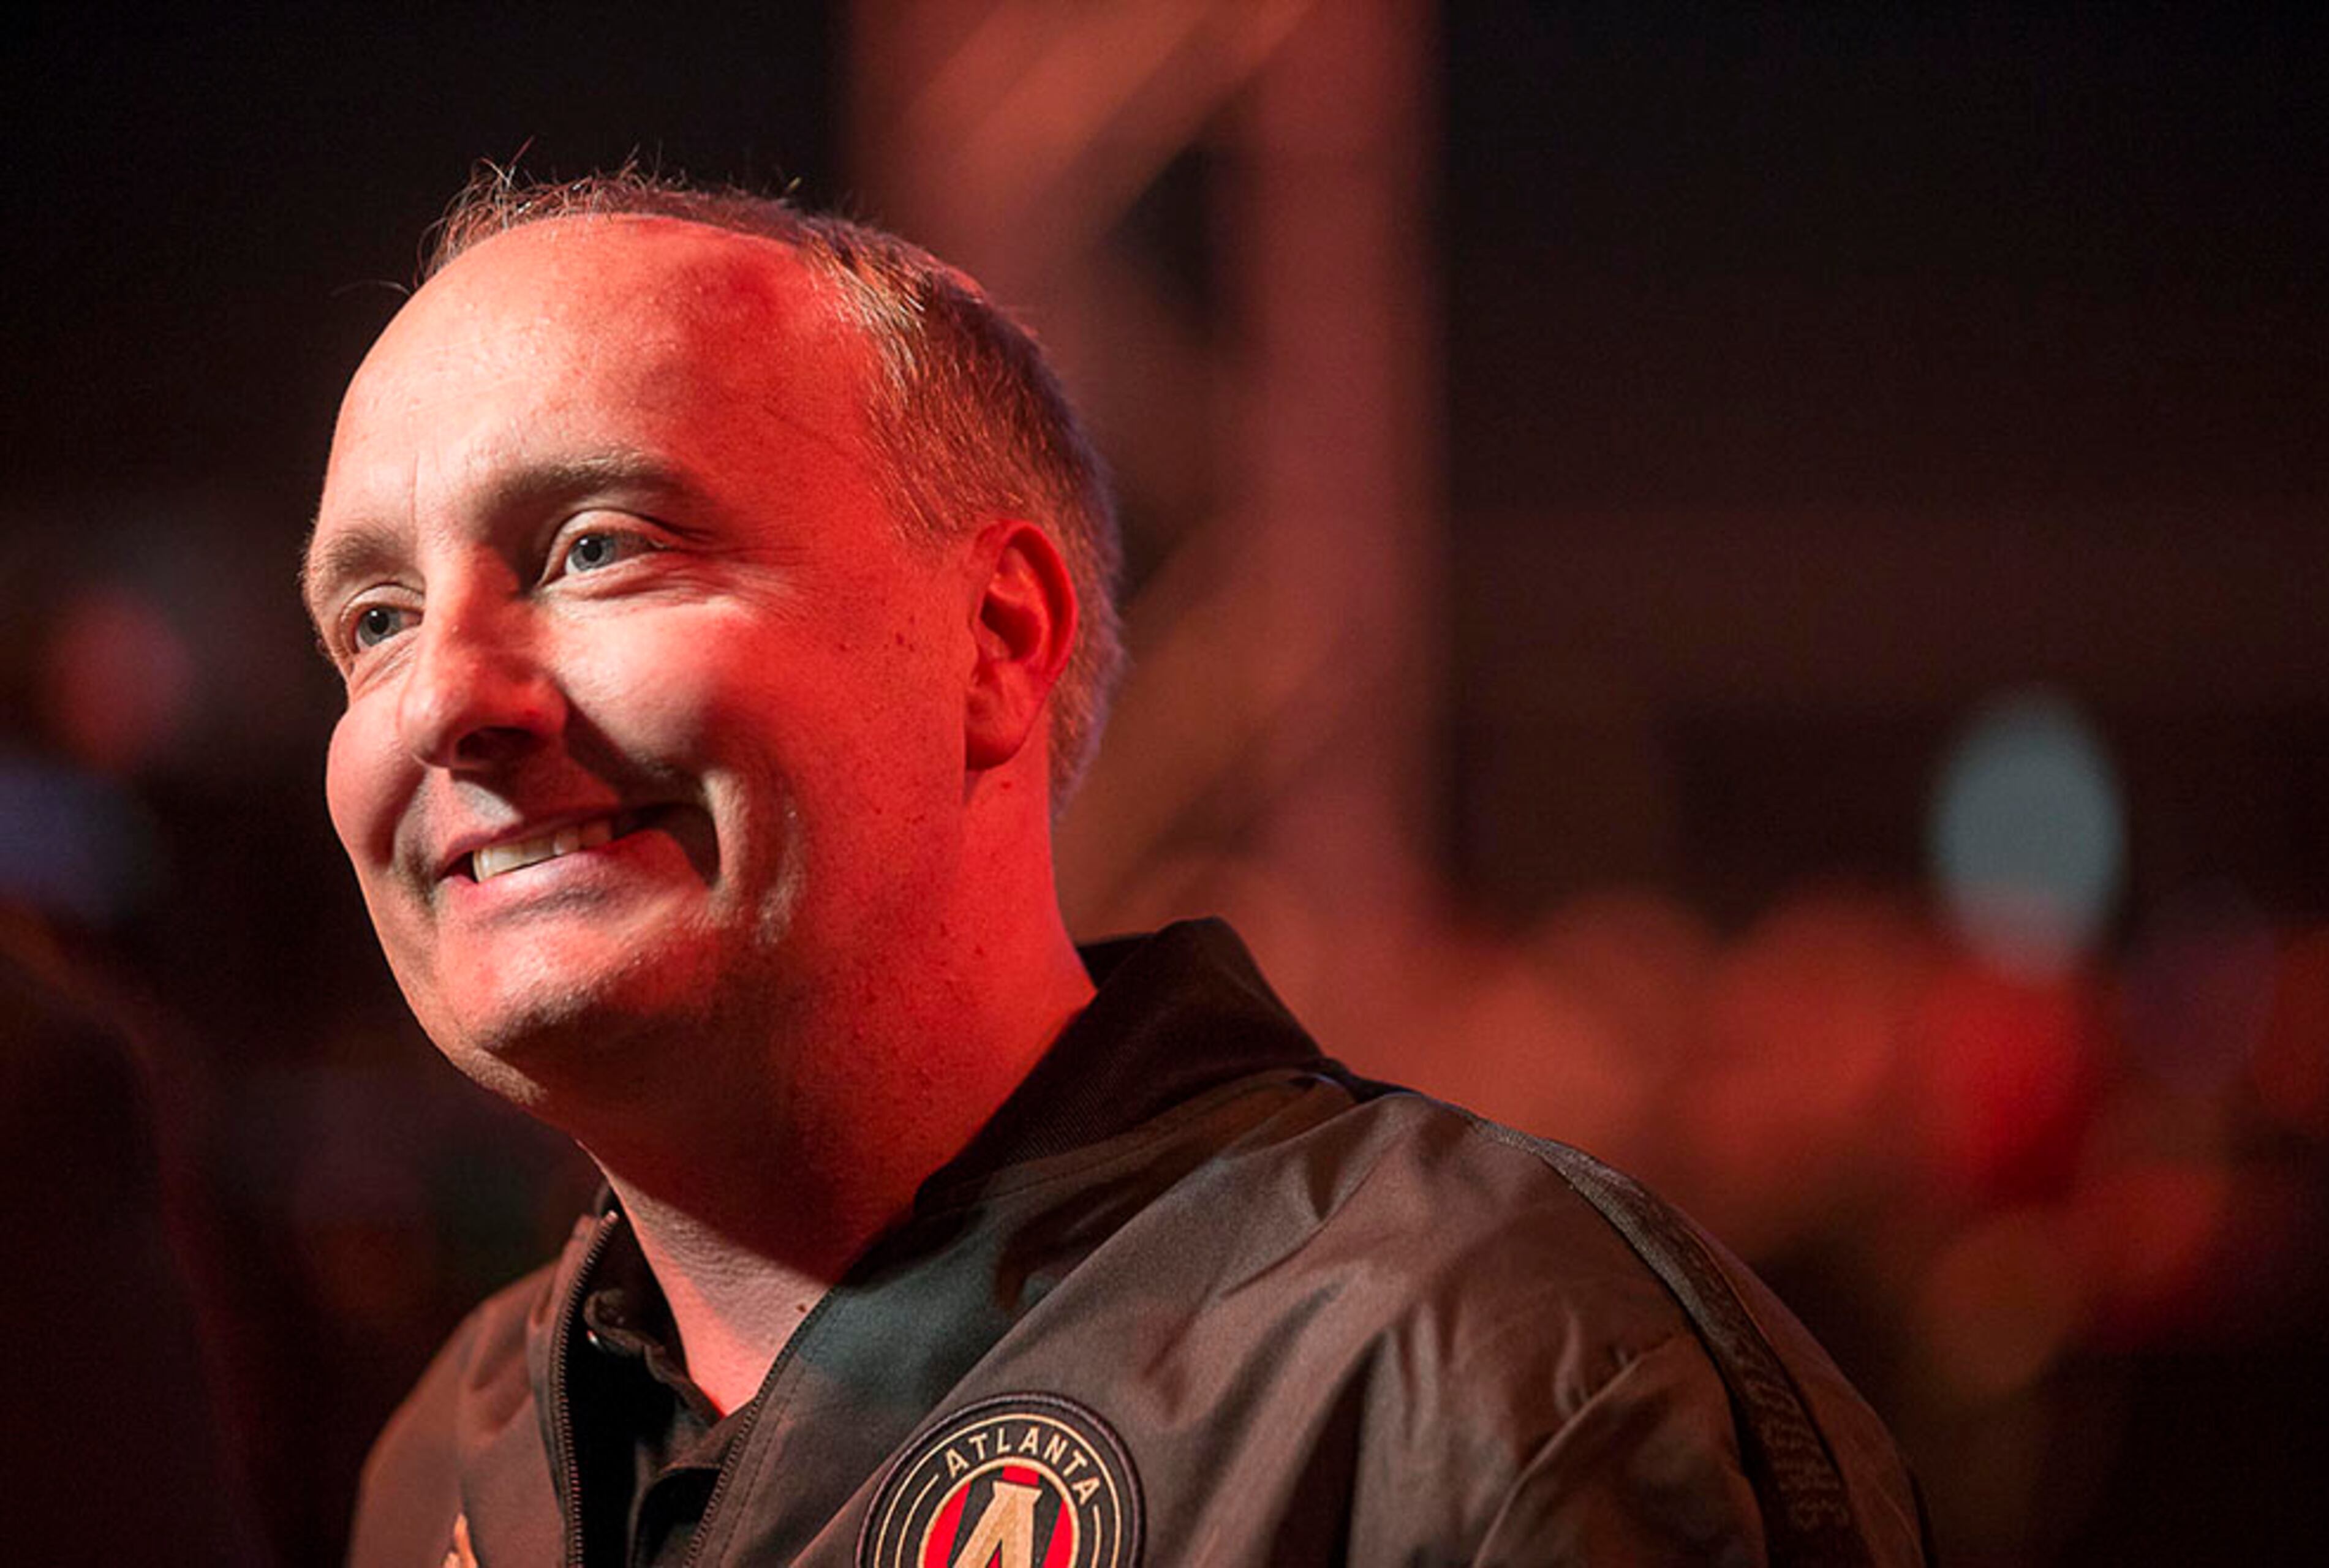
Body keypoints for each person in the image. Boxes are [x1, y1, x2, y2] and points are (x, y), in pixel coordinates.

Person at [309, 170, 1929, 1567]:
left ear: (998, 642)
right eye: (374, 620)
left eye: (600, 548)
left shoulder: (1474, 1368)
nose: (443, 696)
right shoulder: (451, 1463)